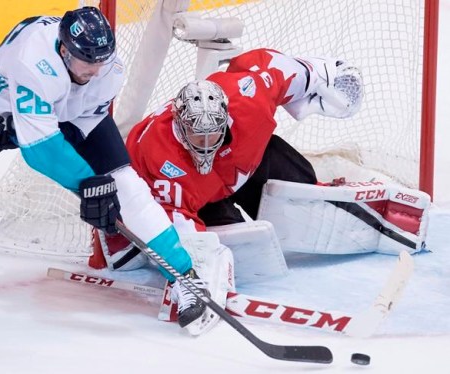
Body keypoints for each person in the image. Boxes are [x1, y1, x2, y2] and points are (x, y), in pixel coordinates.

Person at [0, 7, 209, 331]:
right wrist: (89, 185)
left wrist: (102, 186)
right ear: (63, 49)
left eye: (99, 62)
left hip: (73, 115)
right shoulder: (33, 60)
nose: (92, 70)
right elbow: (41, 151)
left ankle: (185, 275)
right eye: (84, 62)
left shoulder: (108, 70)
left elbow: (70, 127)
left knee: (127, 188)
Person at [94, 47, 430, 278]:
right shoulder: (155, 152)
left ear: (228, 117)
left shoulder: (248, 98)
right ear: (180, 128)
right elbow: (169, 217)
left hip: (250, 162)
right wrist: (192, 264)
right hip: (202, 198)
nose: (207, 146)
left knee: (301, 191)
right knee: (236, 249)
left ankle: (326, 197)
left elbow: (282, 68)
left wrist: (328, 76)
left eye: (215, 135)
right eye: (198, 138)